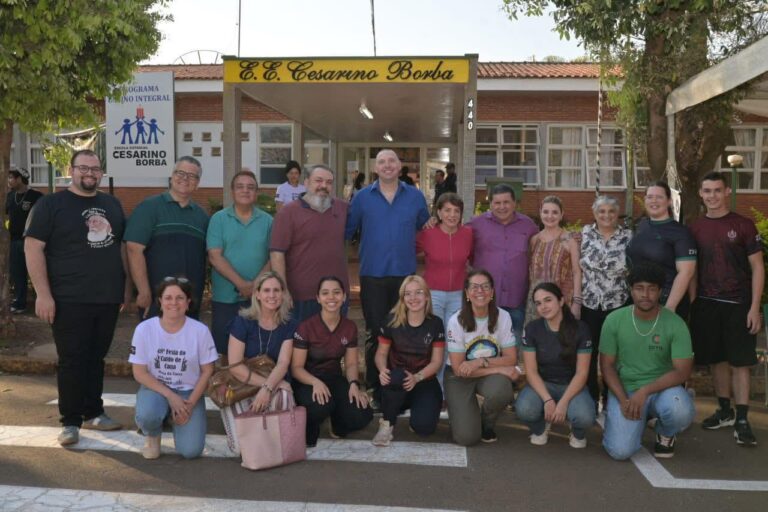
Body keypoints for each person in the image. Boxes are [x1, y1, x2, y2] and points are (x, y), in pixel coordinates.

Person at [25, 149, 130, 446]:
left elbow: (120, 247)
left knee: (96, 358)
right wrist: (43, 294)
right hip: (68, 297)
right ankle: (70, 421)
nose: (90, 173)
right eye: (84, 168)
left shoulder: (111, 203)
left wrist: (126, 286)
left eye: (96, 169)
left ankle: (94, 412)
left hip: (107, 297)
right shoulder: (51, 205)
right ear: (71, 170)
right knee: (72, 359)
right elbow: (33, 248)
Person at [345, 149, 431, 404]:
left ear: (399, 165)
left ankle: (402, 382)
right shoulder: (361, 198)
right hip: (373, 274)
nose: (387, 165)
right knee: (375, 331)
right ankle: (374, 385)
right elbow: (347, 231)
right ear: (375, 168)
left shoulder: (415, 197)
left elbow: (425, 228)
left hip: (405, 277)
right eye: (381, 162)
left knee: (404, 331)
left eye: (391, 161)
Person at [690, 171, 764, 447]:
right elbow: (693, 271)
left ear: (727, 192)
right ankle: (724, 410)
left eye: (717, 191)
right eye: (707, 191)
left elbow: (758, 267)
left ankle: (743, 419)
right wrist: (694, 305)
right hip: (708, 306)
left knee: (740, 363)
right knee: (716, 360)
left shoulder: (744, 225)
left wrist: (754, 307)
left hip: (739, 306)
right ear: (700, 194)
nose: (712, 196)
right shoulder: (695, 228)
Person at [600, 263, 695, 460]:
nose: (646, 294)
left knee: (681, 411)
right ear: (631, 290)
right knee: (620, 451)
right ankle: (635, 419)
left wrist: (645, 391)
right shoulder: (614, 320)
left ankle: (665, 431)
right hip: (626, 390)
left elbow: (682, 372)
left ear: (660, 291)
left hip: (662, 389)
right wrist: (623, 399)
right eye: (639, 288)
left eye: (652, 289)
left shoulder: (675, 323)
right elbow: (607, 366)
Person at [129, 277, 217, 459]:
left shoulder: (200, 331)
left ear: (188, 302)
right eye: (168, 298)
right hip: (157, 389)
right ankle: (153, 435)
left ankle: (174, 417)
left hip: (188, 394)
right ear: (160, 301)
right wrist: (171, 396)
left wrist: (189, 405)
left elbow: (208, 371)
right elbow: (139, 372)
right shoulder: (144, 329)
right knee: (148, 415)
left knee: (190, 451)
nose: (174, 303)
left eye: (180, 298)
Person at [291, 276, 372, 447]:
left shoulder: (349, 327)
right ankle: (310, 419)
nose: (331, 298)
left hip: (334, 378)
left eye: (336, 293)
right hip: (308, 379)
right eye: (325, 293)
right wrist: (315, 382)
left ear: (343, 297)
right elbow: (296, 368)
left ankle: (337, 423)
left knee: (361, 413)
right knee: (320, 407)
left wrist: (354, 385)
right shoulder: (306, 327)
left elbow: (350, 364)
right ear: (318, 298)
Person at [125, 156, 209, 319]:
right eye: (181, 173)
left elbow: (204, 259)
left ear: (198, 183)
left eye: (192, 176)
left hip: (189, 301)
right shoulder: (149, 207)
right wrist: (143, 291)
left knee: (188, 344)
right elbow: (133, 249)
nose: (185, 178)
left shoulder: (202, 217)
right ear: (172, 176)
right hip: (157, 299)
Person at [445, 269, 520, 445]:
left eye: (485, 286)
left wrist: (480, 362)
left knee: (502, 389)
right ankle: (462, 416)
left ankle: (487, 421)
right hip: (459, 377)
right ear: (467, 293)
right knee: (467, 438)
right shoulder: (456, 321)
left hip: (485, 371)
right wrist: (501, 368)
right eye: (475, 287)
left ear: (492, 292)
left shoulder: (503, 316)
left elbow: (511, 358)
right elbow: (459, 369)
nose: (480, 291)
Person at [516, 282, 595, 448]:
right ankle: (540, 428)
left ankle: (577, 431)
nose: (543, 307)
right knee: (524, 410)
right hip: (543, 383)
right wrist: (547, 400)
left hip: (572, 384)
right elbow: (531, 371)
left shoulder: (581, 329)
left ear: (561, 301)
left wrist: (563, 402)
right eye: (538, 303)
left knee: (585, 417)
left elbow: (582, 373)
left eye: (548, 300)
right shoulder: (532, 329)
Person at [372, 275, 446, 446]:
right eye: (408, 294)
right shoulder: (391, 320)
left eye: (419, 292)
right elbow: (381, 354)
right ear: (403, 298)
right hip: (398, 379)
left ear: (427, 296)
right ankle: (387, 424)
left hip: (423, 379)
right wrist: (382, 369)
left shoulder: (435, 323)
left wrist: (417, 377)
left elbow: (436, 361)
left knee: (424, 428)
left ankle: (415, 407)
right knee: (396, 376)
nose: (413, 298)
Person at [271, 165, 349, 322]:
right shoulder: (288, 212)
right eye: (318, 181)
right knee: (300, 345)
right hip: (301, 298)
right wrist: (283, 290)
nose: (323, 186)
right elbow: (277, 253)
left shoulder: (343, 209)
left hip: (335, 295)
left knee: (334, 344)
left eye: (328, 182)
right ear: (306, 182)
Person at [207, 170, 272, 355]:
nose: (245, 191)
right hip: (225, 298)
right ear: (232, 191)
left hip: (259, 298)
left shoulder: (267, 221)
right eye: (240, 187)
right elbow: (214, 256)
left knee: (256, 350)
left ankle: (254, 384)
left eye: (250, 187)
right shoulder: (218, 219)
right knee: (225, 350)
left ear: (256, 192)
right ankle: (227, 385)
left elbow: (273, 257)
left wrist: (255, 286)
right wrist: (242, 284)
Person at [580, 195, 632, 410]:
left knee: (614, 356)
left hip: (617, 304)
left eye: (611, 211)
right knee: (588, 353)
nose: (606, 215)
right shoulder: (584, 234)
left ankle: (612, 397)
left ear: (616, 214)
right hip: (589, 303)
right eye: (601, 211)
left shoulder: (628, 237)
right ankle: (590, 397)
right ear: (594, 213)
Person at [416, 192, 472, 389]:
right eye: (447, 210)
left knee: (453, 343)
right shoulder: (427, 234)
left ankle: (446, 390)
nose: (452, 215)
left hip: (458, 294)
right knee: (433, 342)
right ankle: (430, 389)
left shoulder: (468, 234)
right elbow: (409, 250)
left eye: (456, 211)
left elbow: (472, 258)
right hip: (433, 294)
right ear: (438, 212)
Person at [467, 183, 538, 338]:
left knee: (514, 343)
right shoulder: (476, 224)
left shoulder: (528, 225)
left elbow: (543, 245)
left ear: (514, 203)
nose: (502, 207)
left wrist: (569, 237)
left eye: (506, 202)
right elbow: (457, 239)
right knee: (484, 344)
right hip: (485, 299)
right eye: (497, 203)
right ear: (490, 203)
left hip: (516, 298)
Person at [226, 272, 297, 413]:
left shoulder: (289, 324)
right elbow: (235, 366)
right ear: (257, 294)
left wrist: (268, 388)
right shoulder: (242, 322)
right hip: (243, 382)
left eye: (276, 290)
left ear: (283, 294)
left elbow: (283, 363)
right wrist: (269, 386)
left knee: (283, 396)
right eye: (266, 290)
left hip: (274, 379)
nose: (272, 295)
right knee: (244, 422)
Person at [626, 181, 697, 319]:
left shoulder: (680, 233)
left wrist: (670, 307)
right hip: (640, 300)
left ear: (669, 201)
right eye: (650, 197)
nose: (654, 201)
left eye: (659, 197)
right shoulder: (642, 225)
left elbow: (686, 272)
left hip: (666, 301)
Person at [527, 195, 582, 323]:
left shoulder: (569, 240)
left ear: (561, 215)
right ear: (540, 213)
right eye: (546, 212)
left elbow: (576, 272)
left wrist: (577, 302)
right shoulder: (534, 240)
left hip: (562, 301)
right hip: (536, 304)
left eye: (555, 212)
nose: (549, 216)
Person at [6, 166, 43, 313]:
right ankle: (20, 302)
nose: (9, 180)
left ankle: (41, 301)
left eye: (11, 178)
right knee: (17, 273)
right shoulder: (9, 196)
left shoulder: (36, 196)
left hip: (32, 242)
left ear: (20, 179)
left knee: (37, 272)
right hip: (14, 241)